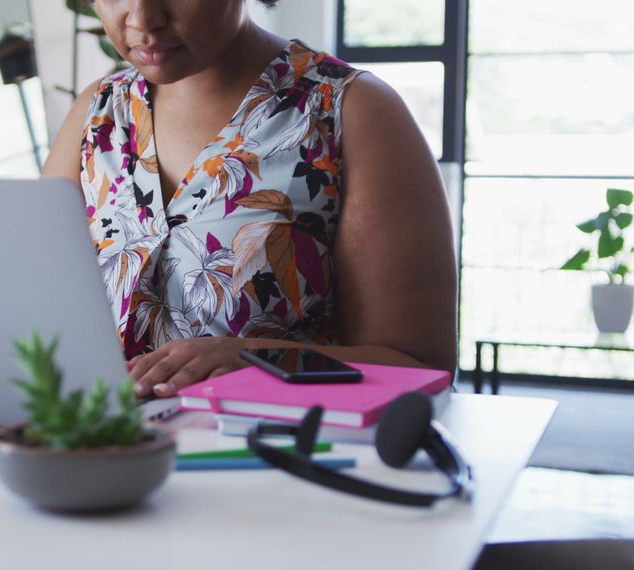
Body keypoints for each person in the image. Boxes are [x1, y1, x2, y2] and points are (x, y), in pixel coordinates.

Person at [42, 0, 456, 399]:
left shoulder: (346, 111)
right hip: (105, 457)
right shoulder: (98, 115)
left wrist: (261, 361)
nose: (144, 18)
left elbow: (420, 367)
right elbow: (29, 318)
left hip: (280, 456)